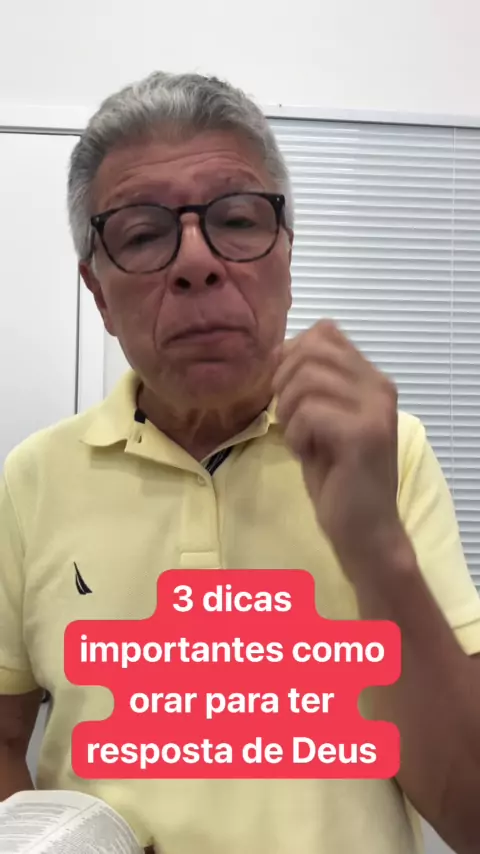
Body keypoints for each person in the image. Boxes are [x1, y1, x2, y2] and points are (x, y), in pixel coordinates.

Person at [1, 71, 480, 854]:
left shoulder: (389, 453)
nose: (197, 262)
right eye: (144, 235)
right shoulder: (32, 479)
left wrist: (375, 545)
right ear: (98, 291)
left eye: (236, 219)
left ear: (286, 253)